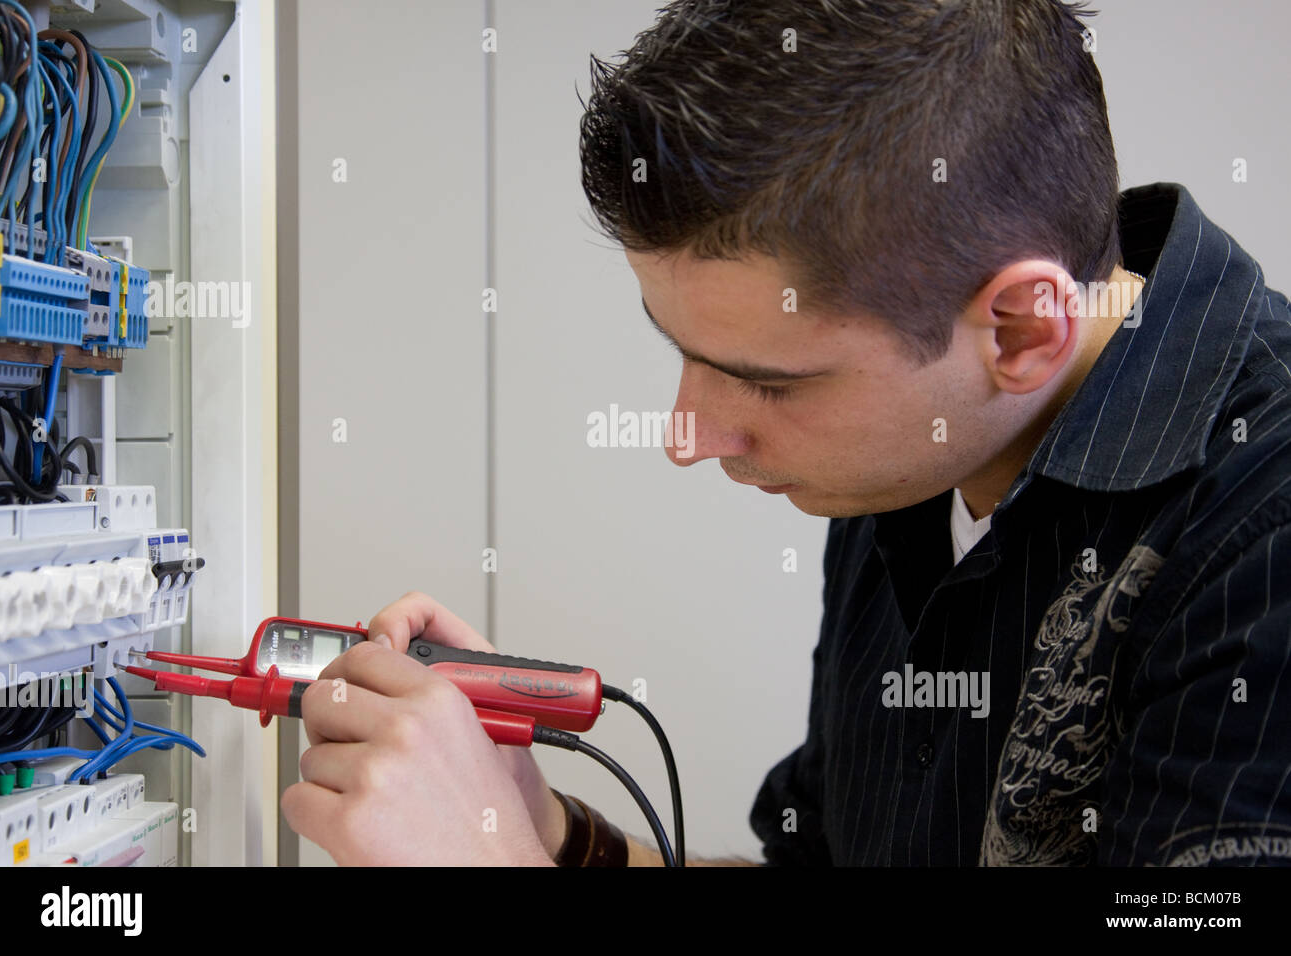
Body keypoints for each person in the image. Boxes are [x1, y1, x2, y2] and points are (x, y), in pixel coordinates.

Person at [281, 0, 1291, 866]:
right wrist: (542, 830)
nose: (687, 435)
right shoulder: (915, 458)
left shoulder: (1263, 527)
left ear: (1021, 327)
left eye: (764, 382)